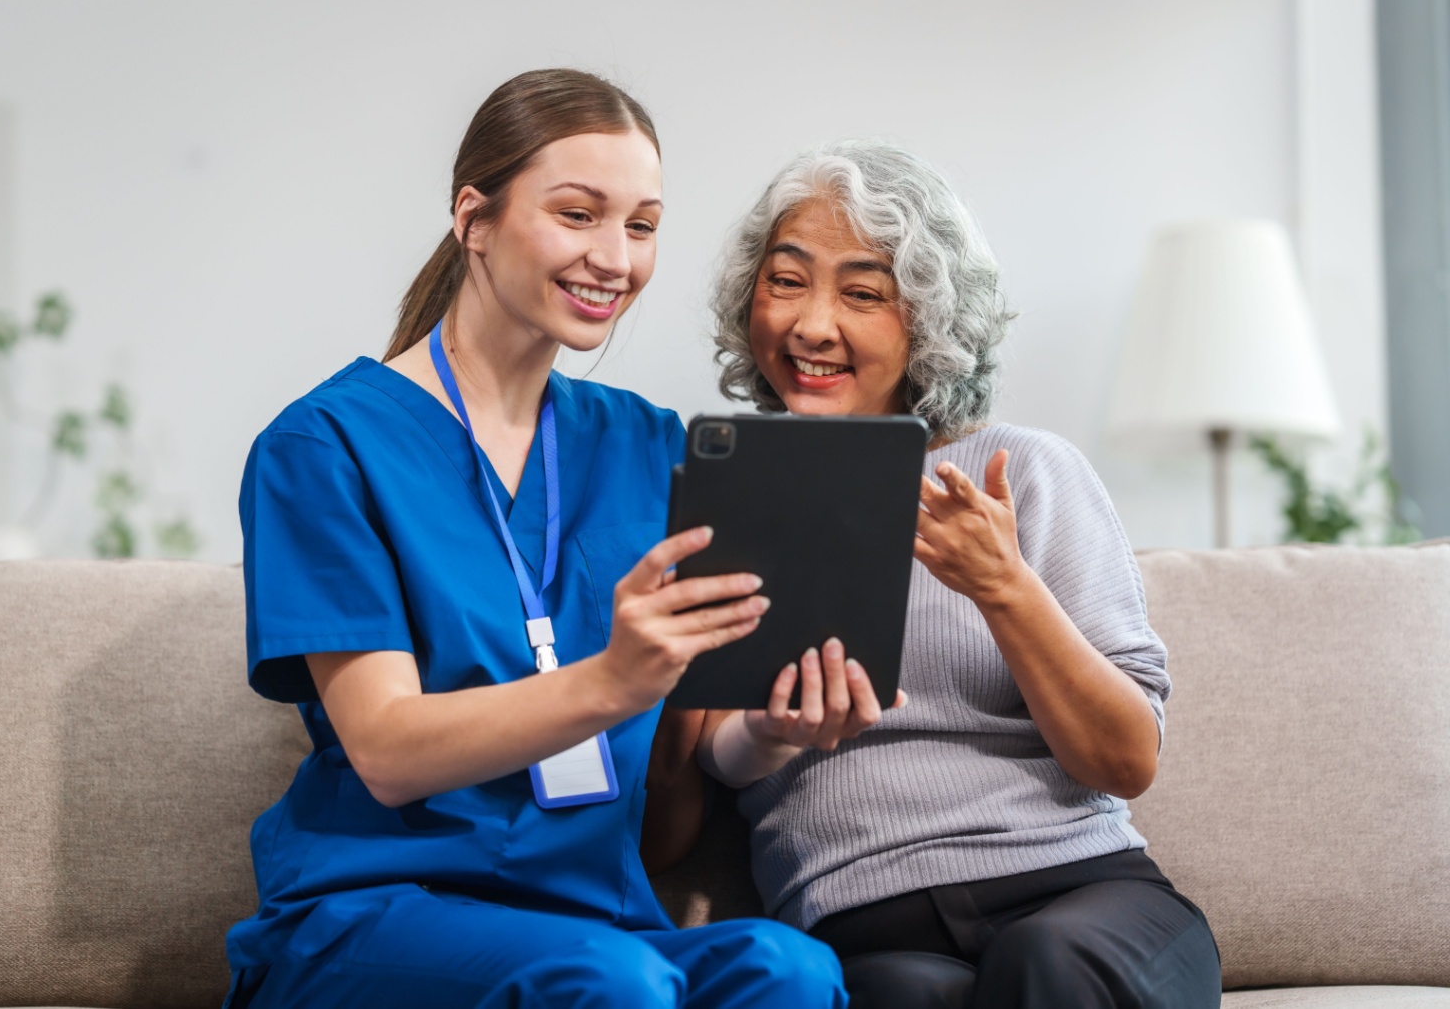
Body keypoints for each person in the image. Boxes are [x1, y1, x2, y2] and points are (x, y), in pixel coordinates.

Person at [222, 69, 866, 1009]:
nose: (616, 257)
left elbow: (686, 762)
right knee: (612, 983)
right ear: (473, 218)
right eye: (578, 215)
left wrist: (772, 729)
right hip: (378, 912)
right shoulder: (324, 447)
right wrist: (610, 680)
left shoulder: (651, 447)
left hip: (594, 917)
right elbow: (389, 751)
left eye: (641, 226)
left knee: (791, 972)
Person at [644, 139, 1222, 1009]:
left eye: (863, 293)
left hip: (1079, 889)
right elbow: (696, 789)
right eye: (788, 280)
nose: (810, 324)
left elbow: (1124, 758)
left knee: (1049, 965)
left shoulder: (1023, 473)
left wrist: (1004, 587)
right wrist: (775, 731)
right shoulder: (726, 496)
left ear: (930, 322)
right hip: (861, 914)